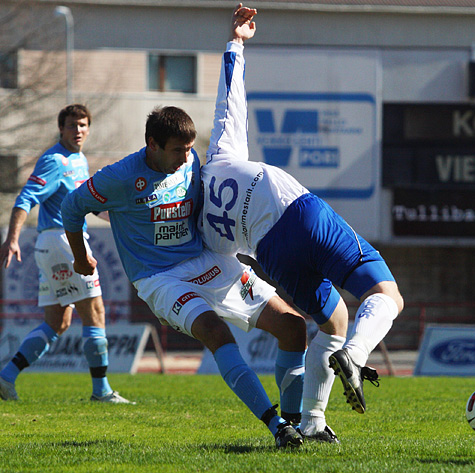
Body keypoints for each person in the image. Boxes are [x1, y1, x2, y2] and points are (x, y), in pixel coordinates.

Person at [201, 4, 404, 443]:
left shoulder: (202, 225)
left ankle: (311, 422)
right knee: (386, 293)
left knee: (333, 321)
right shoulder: (217, 156)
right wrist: (236, 42)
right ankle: (357, 354)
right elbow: (229, 101)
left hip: (271, 256)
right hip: (302, 215)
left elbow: (218, 264)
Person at [61, 105, 307, 446]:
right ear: (152, 145)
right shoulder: (118, 177)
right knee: (215, 330)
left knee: (293, 326)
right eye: (177, 149)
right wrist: (80, 257)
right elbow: (71, 208)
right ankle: (277, 426)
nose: (186, 157)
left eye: (189, 149)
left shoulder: (190, 162)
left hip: (207, 260)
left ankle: (298, 426)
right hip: (159, 277)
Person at [0, 104, 133, 404]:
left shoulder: (79, 159)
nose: (78, 130)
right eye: (72, 125)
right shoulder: (55, 160)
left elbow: (88, 203)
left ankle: (6, 376)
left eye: (83, 125)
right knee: (95, 314)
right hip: (63, 241)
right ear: (61, 128)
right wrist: (12, 239)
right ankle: (101, 391)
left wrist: (125, 218)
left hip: (51, 247)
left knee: (57, 322)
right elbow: (25, 198)